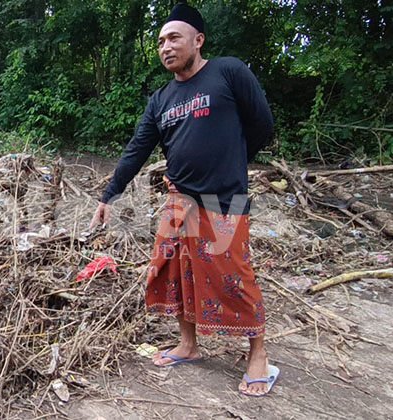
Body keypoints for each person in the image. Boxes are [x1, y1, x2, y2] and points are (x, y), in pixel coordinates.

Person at [89, 3, 277, 396]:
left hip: (226, 198)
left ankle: (257, 354)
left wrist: (233, 162)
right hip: (180, 202)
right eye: (160, 41)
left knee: (235, 276)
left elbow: (262, 123)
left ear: (198, 40)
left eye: (174, 37)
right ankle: (188, 345)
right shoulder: (161, 99)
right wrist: (110, 194)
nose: (166, 47)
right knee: (175, 271)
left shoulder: (228, 71)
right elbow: (137, 149)